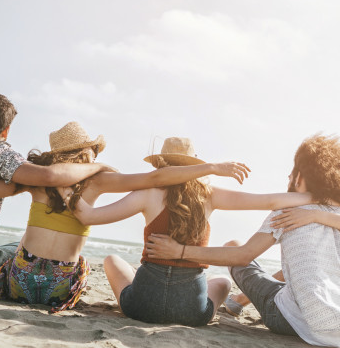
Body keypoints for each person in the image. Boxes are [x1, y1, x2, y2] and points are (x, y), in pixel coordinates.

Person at [0, 127, 249, 312]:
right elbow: (154, 179)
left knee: (12, 249)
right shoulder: (99, 179)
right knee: (79, 262)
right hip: (58, 291)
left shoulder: (36, 178)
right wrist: (212, 167)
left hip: (20, 286)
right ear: (87, 154)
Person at [63, 137, 311, 326]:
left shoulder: (147, 193)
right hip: (192, 312)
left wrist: (64, 189)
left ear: (162, 164)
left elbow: (89, 216)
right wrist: (318, 196)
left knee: (112, 260)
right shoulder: (210, 196)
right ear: (195, 165)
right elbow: (268, 201)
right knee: (222, 281)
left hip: (141, 307)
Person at [146, 135, 340, 347]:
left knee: (234, 247)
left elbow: (242, 256)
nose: (288, 176)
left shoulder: (288, 212)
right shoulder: (334, 213)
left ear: (299, 177)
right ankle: (239, 300)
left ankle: (238, 300)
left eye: (292, 172)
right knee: (305, 270)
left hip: (292, 322)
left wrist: (179, 251)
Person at [0, 92, 114, 297]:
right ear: (6, 131)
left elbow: (6, 188)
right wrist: (98, 167)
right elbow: (51, 176)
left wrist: (24, 186)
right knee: (15, 249)